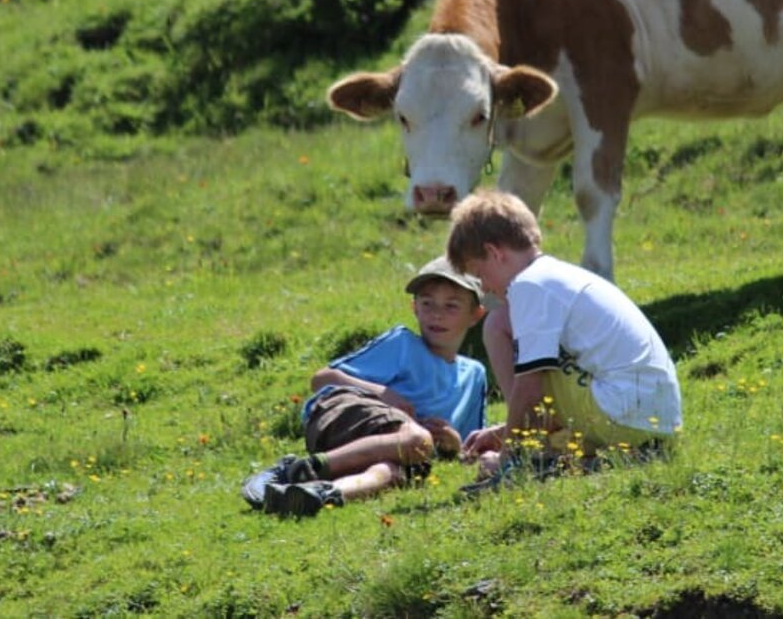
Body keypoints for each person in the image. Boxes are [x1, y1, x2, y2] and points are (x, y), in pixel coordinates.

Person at [446, 189, 682, 473]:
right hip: (653, 418)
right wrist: (505, 429)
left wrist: (507, 455)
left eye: (479, 273)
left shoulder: (529, 286)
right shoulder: (552, 276)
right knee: (499, 323)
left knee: (522, 353)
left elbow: (530, 385)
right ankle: (547, 442)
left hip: (625, 414)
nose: (484, 286)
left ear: (494, 253)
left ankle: (528, 452)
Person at [241, 256, 488, 516]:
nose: (437, 314)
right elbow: (322, 379)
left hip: (399, 450)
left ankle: (317, 494)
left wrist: (454, 443)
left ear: (475, 315)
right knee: (416, 439)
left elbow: (470, 450)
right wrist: (382, 393)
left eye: (452, 306)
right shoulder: (402, 344)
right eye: (427, 303)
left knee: (389, 472)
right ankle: (291, 471)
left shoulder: (475, 374)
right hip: (343, 415)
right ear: (414, 307)